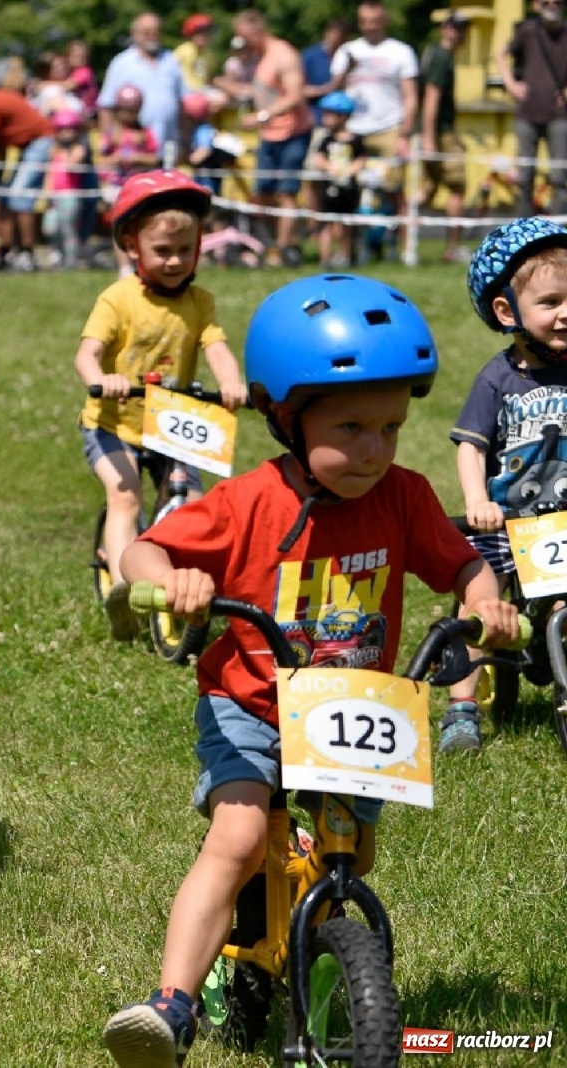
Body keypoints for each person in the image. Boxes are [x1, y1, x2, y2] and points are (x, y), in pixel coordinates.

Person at [100, 272, 516, 1068]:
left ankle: (309, 951)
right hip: (251, 704)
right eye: (352, 426)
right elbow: (143, 551)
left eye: (391, 427)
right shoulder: (248, 502)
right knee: (241, 831)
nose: (374, 448)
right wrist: (172, 580)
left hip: (352, 705)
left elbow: (463, 566)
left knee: (348, 854)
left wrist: (486, 601)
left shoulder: (405, 496)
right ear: (286, 417)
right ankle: (172, 1005)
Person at [73, 170, 246, 641]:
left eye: (184, 251)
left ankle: (183, 582)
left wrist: (232, 384)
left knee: (193, 503)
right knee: (124, 493)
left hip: (173, 423)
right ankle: (126, 586)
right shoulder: (118, 298)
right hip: (113, 424)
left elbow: (217, 347)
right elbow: (86, 354)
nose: (173, 262)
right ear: (133, 247)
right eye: (161, 251)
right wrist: (101, 380)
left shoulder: (199, 301)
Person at [446, 219, 567, 753]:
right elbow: (470, 445)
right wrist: (477, 502)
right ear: (507, 312)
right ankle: (462, 708)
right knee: (479, 599)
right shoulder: (498, 378)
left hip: (562, 524)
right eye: (551, 301)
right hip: (507, 519)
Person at [233, 10, 313, 265]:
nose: (242, 42)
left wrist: (261, 116)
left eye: (244, 36)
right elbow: (267, 92)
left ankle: (283, 249)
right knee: (263, 195)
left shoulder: (284, 54)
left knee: (287, 194)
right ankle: (276, 245)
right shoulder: (260, 57)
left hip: (293, 133)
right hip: (270, 135)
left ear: (257, 31)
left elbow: (295, 95)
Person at [329, 0, 419, 226]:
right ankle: (349, 251)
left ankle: (405, 251)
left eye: (375, 21)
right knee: (346, 190)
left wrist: (404, 135)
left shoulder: (401, 51)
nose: (370, 26)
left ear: (384, 21)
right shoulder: (347, 51)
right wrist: (348, 70)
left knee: (395, 190)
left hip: (390, 128)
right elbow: (333, 93)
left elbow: (411, 96)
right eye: (365, 22)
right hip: (353, 130)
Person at [0, 64, 53, 272]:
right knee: (6, 197)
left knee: (19, 197)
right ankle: (6, 250)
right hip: (29, 144)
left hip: (40, 141)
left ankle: (26, 252)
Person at [497, 0, 567, 216]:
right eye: (546, 2)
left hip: (559, 115)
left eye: (557, 2)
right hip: (527, 114)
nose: (552, 6)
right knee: (525, 177)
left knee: (560, 177)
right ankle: (526, 234)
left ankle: (558, 233)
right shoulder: (528, 31)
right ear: (537, 5)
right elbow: (501, 54)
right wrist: (510, 83)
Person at [98, 14, 186, 163]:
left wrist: (185, 139)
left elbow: (182, 103)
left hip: (167, 148)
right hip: (133, 154)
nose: (152, 35)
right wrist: (110, 140)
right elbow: (106, 105)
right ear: (134, 34)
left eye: (156, 31)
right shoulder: (122, 63)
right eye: (147, 32)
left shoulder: (172, 61)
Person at [420, 12, 471, 263]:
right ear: (444, 28)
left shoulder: (438, 53)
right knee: (457, 187)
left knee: (425, 192)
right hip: (440, 134)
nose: (460, 32)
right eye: (456, 27)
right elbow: (431, 97)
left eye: (464, 28)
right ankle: (453, 248)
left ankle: (401, 244)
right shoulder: (441, 56)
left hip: (437, 132)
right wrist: (430, 139)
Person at [308, 92, 365, 267]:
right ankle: (325, 258)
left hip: (349, 190)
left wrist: (351, 169)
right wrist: (328, 167)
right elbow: (318, 158)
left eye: (329, 114)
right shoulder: (326, 139)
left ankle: (346, 256)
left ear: (343, 116)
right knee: (326, 224)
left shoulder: (355, 140)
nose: (325, 118)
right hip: (328, 189)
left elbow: (361, 159)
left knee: (347, 225)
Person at [39, 109, 97, 268]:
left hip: (70, 195)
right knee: (50, 228)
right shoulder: (53, 149)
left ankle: (71, 260)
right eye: (63, 129)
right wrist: (46, 192)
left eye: (70, 129)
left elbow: (72, 166)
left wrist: (66, 151)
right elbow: (50, 173)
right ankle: (57, 253)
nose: (66, 133)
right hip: (55, 195)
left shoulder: (79, 148)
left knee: (68, 229)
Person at [96, 85, 159, 189]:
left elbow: (155, 159)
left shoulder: (146, 132)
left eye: (133, 111)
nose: (130, 115)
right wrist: (115, 159)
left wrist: (137, 158)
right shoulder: (110, 133)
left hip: (140, 184)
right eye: (126, 111)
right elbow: (101, 160)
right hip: (115, 186)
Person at [303, 20, 350, 122]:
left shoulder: (349, 58)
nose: (334, 42)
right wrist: (326, 89)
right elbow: (299, 90)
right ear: (326, 33)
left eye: (340, 40)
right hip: (317, 117)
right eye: (333, 37)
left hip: (344, 120)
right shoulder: (310, 57)